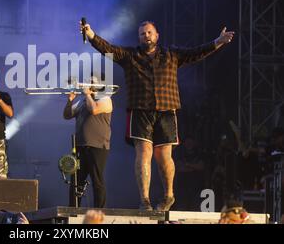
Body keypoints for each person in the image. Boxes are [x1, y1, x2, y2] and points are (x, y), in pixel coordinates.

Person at [82, 20, 234, 211]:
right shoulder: (130, 55)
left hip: (166, 110)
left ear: (157, 35)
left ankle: (169, 195)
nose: (146, 36)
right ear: (139, 38)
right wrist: (91, 35)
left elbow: (196, 52)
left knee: (163, 155)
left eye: (149, 32)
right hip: (140, 110)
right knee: (144, 152)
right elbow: (108, 49)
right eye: (142, 34)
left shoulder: (171, 54)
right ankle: (144, 200)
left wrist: (217, 42)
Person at [63, 75, 113, 208]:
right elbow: (67, 115)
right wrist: (70, 100)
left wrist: (87, 95)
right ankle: (73, 210)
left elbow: (94, 109)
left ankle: (99, 211)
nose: (88, 84)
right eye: (89, 81)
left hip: (98, 146)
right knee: (76, 180)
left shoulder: (106, 99)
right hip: (80, 146)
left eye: (92, 82)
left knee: (97, 180)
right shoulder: (83, 101)